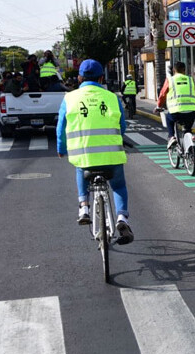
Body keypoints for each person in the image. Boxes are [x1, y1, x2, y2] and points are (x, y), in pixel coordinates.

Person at [56, 59, 134, 245]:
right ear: (101, 78)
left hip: (84, 156)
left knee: (80, 166)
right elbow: (122, 126)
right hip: (111, 156)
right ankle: (122, 218)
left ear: (79, 77)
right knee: (119, 186)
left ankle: (84, 207)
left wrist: (61, 149)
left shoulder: (69, 98)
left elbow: (60, 128)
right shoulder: (112, 97)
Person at [154, 62, 195, 149]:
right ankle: (190, 139)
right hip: (192, 112)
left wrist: (158, 106)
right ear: (184, 70)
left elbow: (162, 94)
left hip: (176, 112)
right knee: (187, 129)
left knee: (169, 118)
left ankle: (171, 137)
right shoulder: (190, 79)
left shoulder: (170, 80)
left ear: (174, 70)